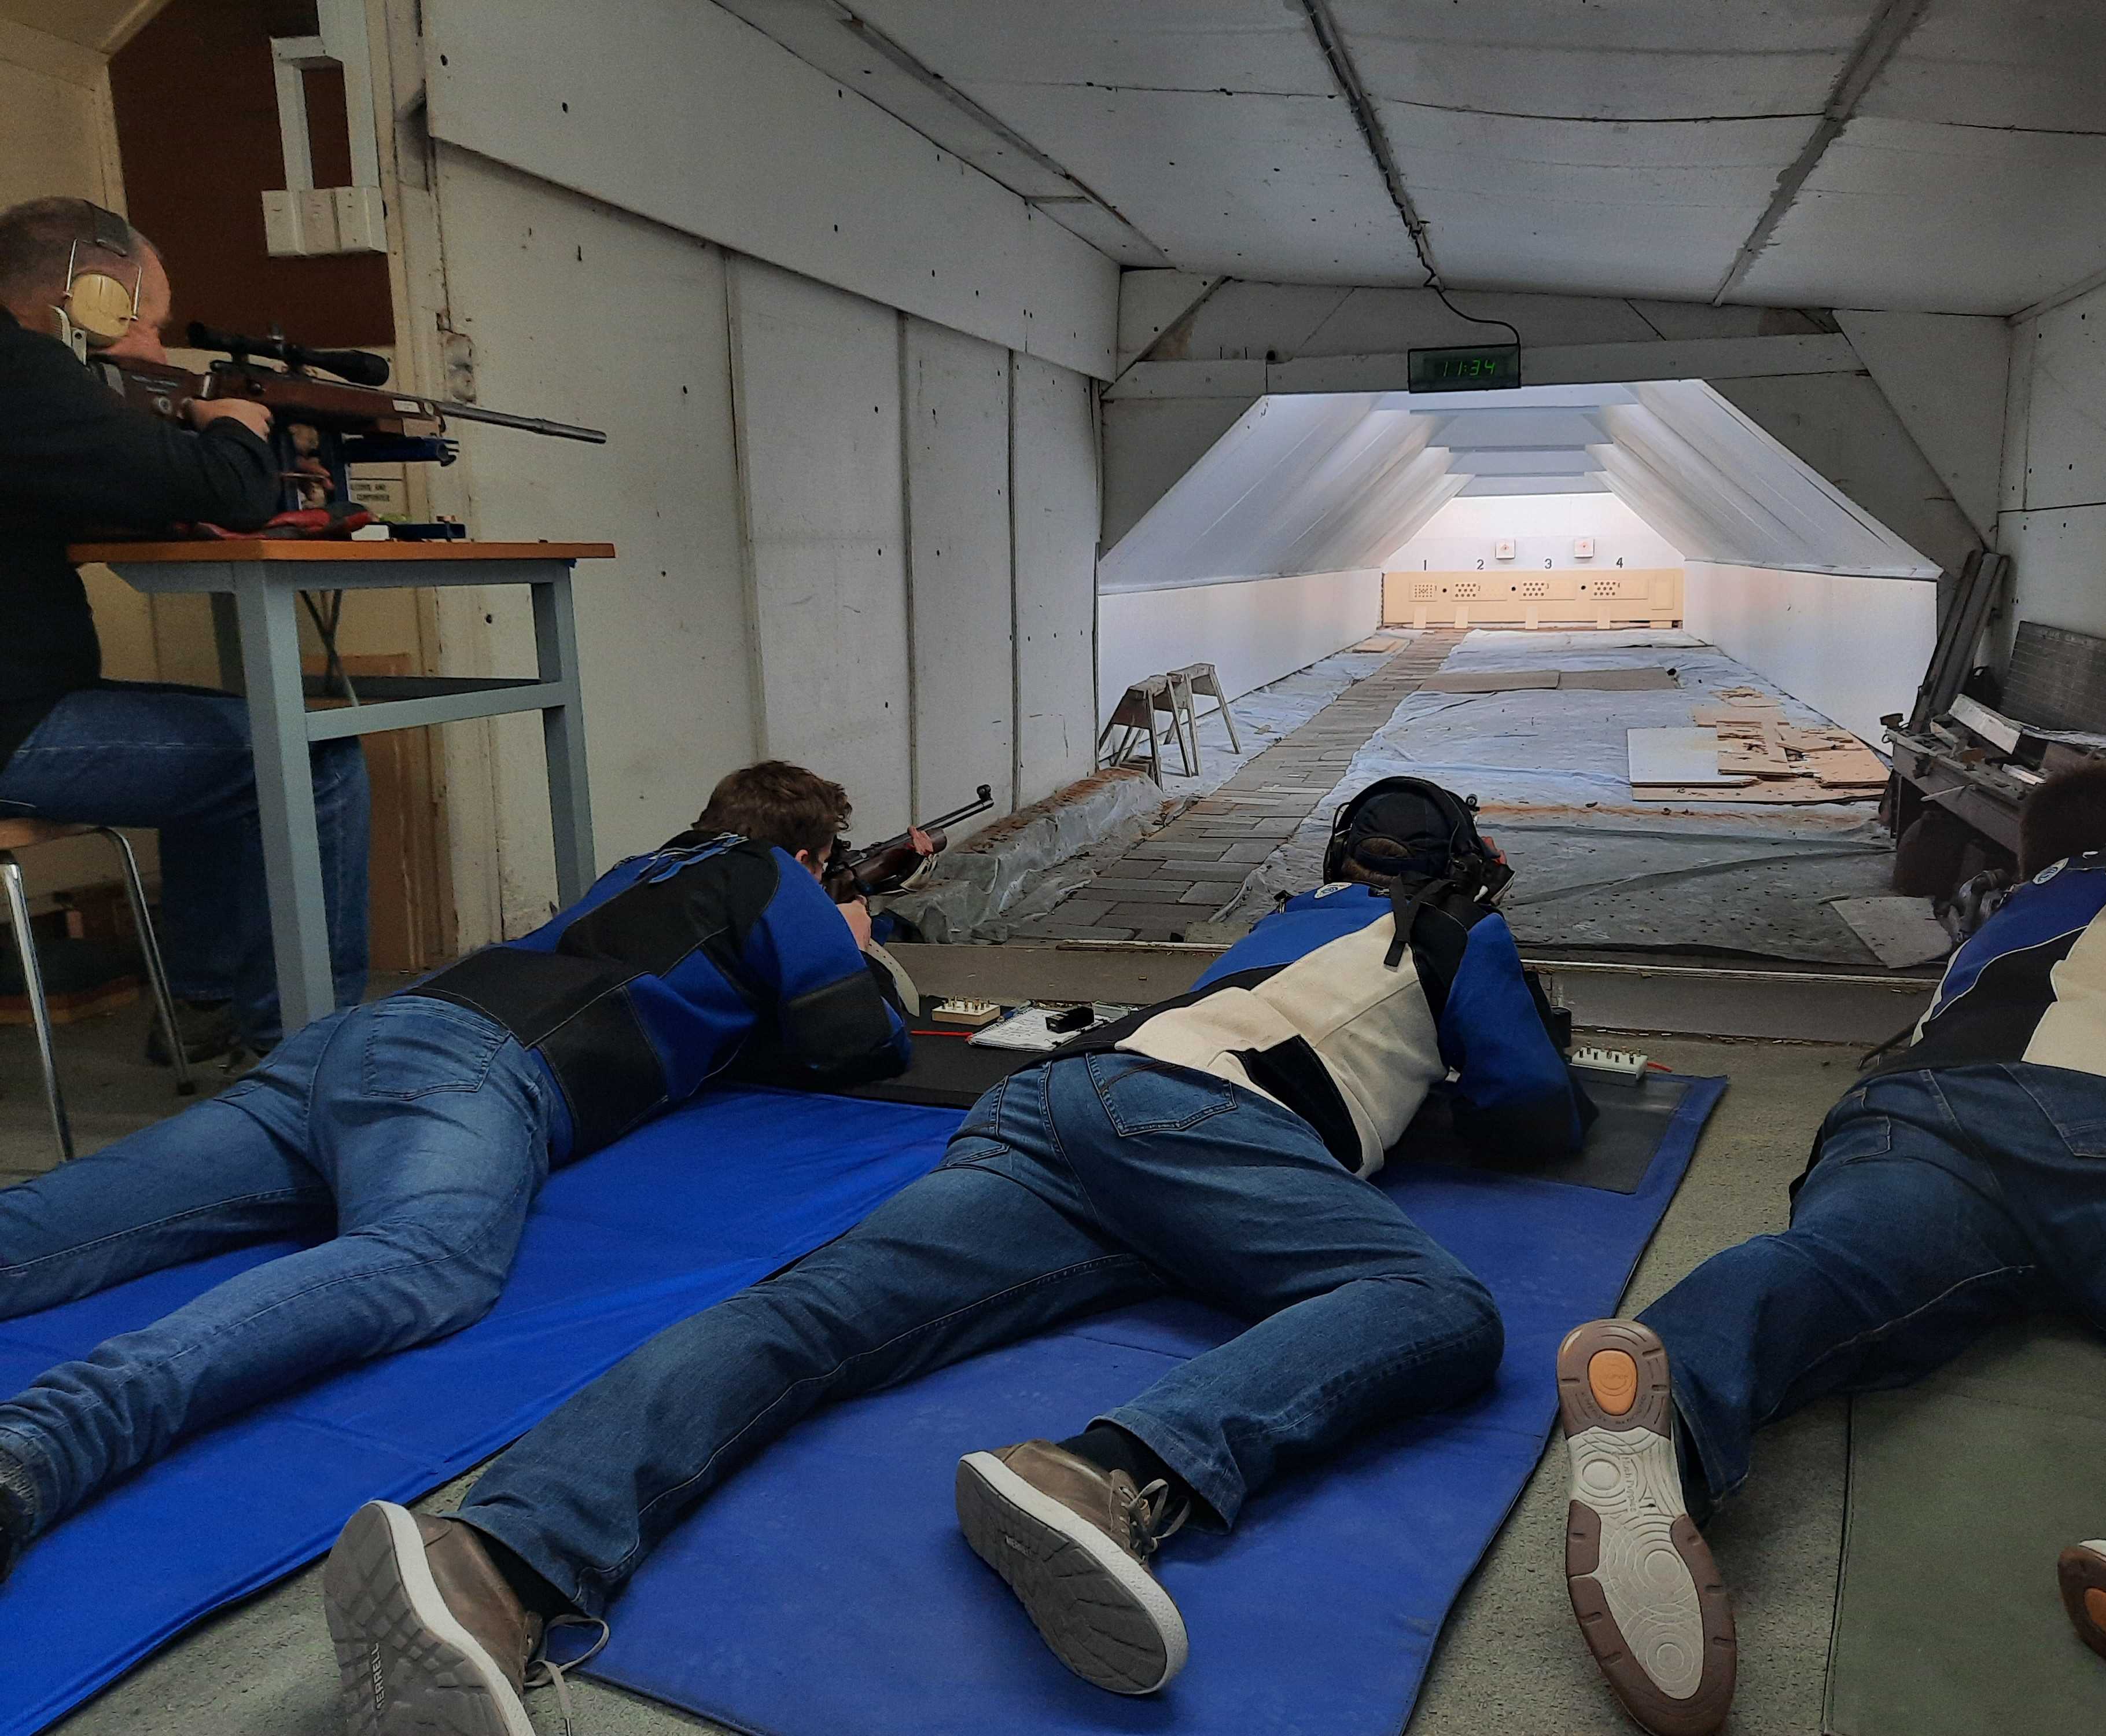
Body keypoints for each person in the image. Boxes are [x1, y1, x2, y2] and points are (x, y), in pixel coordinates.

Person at [316, 776, 1596, 1730]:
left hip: (1059, 1103)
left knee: (808, 1318)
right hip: (1200, 1130)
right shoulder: (1453, 931)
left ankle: (497, 1557)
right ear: (1462, 869)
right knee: (1434, 1303)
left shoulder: (1288, 921)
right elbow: (1533, 1115)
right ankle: (1107, 1472)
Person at [0, 759, 907, 1587]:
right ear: (807, 857)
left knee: (50, 1227)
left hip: (358, 1039)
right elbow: (855, 1043)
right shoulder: (774, 874)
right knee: (430, 1260)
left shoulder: (641, 868)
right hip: (473, 1065)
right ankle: (41, 1443)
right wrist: (854, 941)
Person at [1555, 763, 2106, 1736]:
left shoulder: (2010, 904)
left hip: (1910, 1105)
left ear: (2037, 856)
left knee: (1833, 1263)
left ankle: (1676, 1393)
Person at [0, 195, 370, 1059]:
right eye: (144, 325)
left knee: (227, 743)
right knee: (308, 756)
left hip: (22, 712)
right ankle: (303, 1050)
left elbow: (114, 493)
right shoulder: (21, 369)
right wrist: (235, 431)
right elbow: (225, 493)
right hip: (17, 727)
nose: (156, 353)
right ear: (89, 297)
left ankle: (207, 1002)